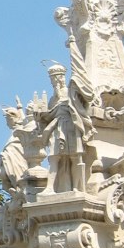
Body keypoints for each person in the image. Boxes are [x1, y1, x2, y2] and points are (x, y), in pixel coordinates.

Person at [37, 64, 90, 193]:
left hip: (71, 127)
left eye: (56, 78)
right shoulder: (52, 99)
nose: (54, 82)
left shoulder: (71, 92)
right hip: (58, 128)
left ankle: (77, 187)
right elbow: (51, 114)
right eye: (52, 80)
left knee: (75, 157)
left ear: (62, 78)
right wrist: (40, 116)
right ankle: (50, 188)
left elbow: (82, 107)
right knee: (54, 157)